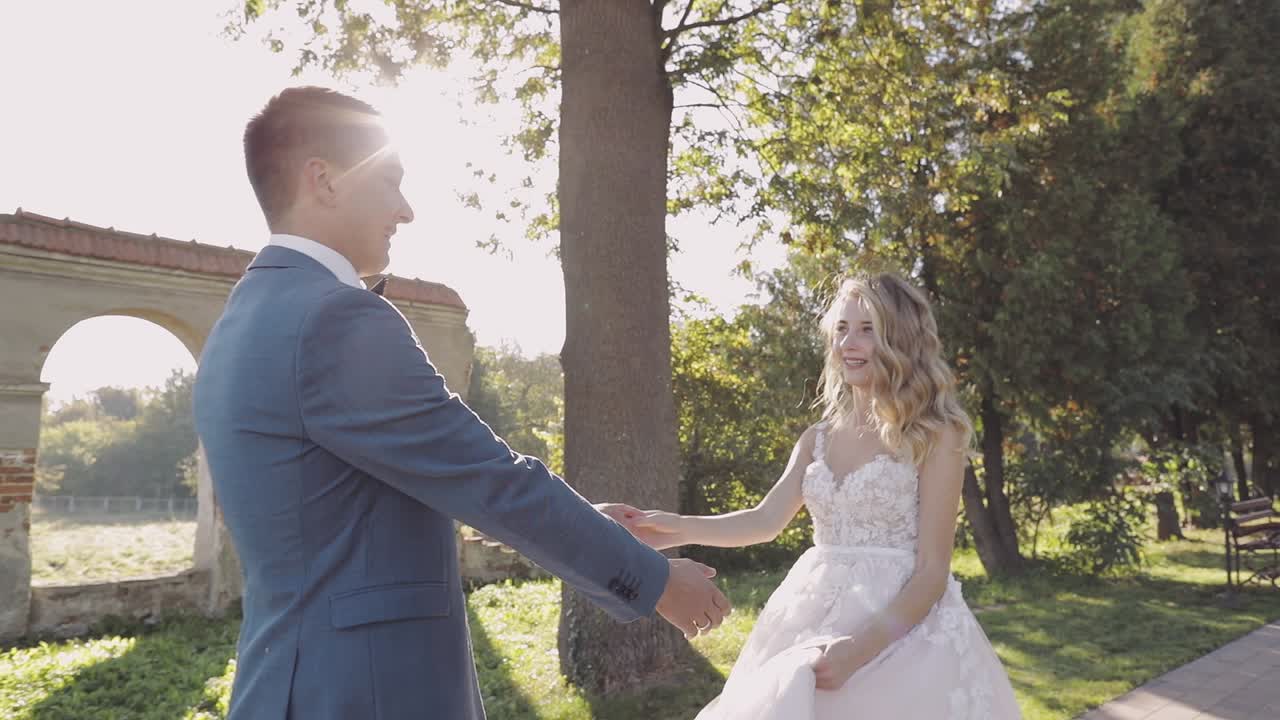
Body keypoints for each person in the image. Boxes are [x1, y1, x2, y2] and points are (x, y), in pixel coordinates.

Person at [192, 86, 730, 720]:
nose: (406, 210)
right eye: (390, 181)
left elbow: (361, 504)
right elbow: (491, 479)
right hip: (369, 693)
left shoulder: (242, 320)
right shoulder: (334, 319)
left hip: (290, 684)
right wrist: (655, 580)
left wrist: (589, 521)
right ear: (324, 180)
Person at [617, 273, 1022, 719]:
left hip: (902, 632)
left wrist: (857, 651)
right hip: (809, 617)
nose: (848, 343)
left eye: (867, 329)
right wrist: (672, 527)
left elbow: (932, 571)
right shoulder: (818, 439)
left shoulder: (936, 434)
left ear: (901, 339)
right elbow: (764, 520)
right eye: (842, 328)